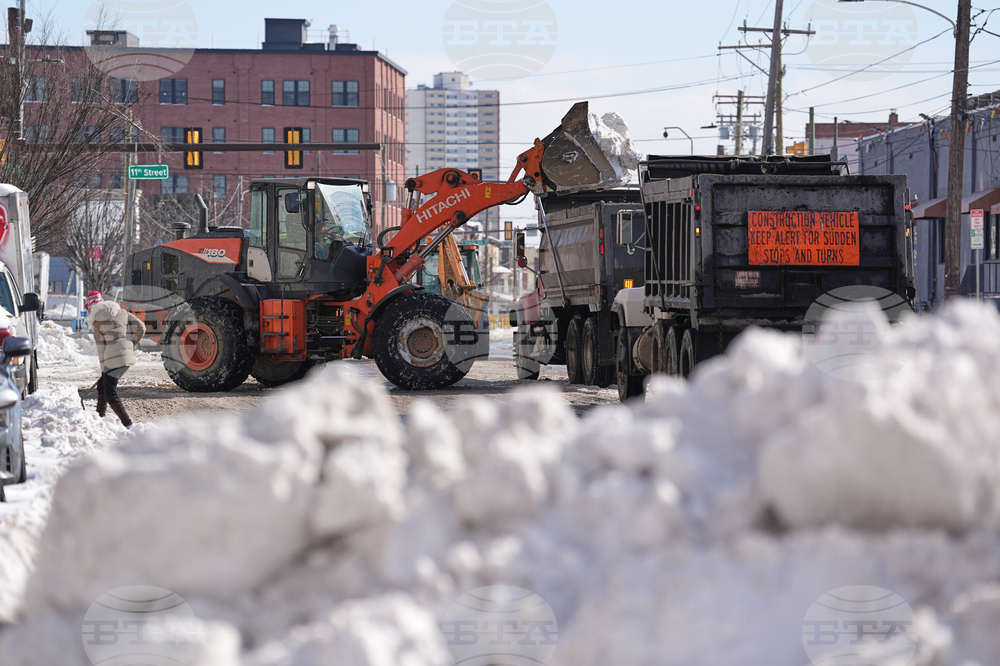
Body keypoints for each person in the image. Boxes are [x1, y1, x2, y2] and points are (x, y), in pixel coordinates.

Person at [85, 291, 145, 428]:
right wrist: (131, 345)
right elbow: (142, 327)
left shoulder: (96, 322)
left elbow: (101, 349)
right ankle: (99, 416)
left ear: (91, 307)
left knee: (110, 391)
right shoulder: (122, 313)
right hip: (126, 358)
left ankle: (128, 424)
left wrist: (103, 370)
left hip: (112, 359)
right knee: (103, 386)